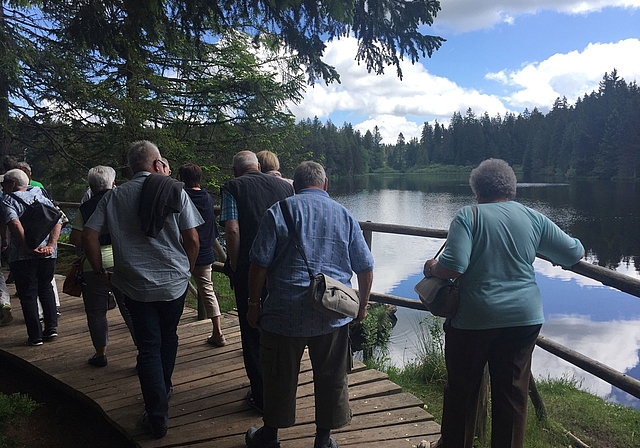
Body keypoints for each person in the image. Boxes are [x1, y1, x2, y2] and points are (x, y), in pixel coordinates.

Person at [422, 159, 584, 448]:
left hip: (474, 320)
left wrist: (433, 268)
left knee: (462, 391)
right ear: (512, 188)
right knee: (511, 396)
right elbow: (573, 252)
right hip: (524, 318)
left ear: (477, 190)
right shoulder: (532, 217)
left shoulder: (468, 216)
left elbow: (454, 265)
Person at [244, 161, 374, 448]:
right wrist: (362, 306)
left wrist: (254, 305)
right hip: (332, 314)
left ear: (295, 186)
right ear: (325, 184)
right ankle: (323, 440)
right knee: (332, 376)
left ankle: (270, 437)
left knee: (278, 375)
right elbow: (365, 268)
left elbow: (258, 266)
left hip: (283, 313)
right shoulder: (345, 214)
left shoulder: (279, 211)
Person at [82, 140, 203, 439]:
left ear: (132, 166)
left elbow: (88, 235)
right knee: (169, 336)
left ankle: (157, 416)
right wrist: (186, 268)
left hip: (133, 284)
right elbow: (193, 239)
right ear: (156, 162)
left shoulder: (114, 196)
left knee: (148, 346)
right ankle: (166, 385)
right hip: (173, 282)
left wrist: (100, 271)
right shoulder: (175, 190)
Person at [219, 150, 294, 413]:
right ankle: (284, 390)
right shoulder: (285, 187)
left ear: (235, 170)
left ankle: (261, 396)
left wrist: (235, 263)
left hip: (251, 269)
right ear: (259, 166)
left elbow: (232, 228)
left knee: (252, 329)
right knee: (281, 329)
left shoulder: (232, 187)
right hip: (282, 269)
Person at [69, 165, 135, 367]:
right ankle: (145, 352)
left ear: (90, 186)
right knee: (130, 310)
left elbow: (76, 239)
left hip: (94, 264)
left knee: (96, 312)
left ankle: (101, 354)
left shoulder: (86, 208)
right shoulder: (124, 203)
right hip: (123, 262)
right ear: (113, 183)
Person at [1, 168, 61, 346]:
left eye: (4, 183)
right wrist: (50, 246)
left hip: (23, 256)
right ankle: (51, 328)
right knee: (46, 288)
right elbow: (58, 220)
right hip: (48, 255)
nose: (2, 187)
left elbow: (14, 223)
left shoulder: (8, 200)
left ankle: (35, 336)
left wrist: (28, 247)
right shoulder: (42, 195)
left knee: (28, 295)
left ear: (12, 183)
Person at [178, 163, 226, 347]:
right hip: (205, 249)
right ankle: (218, 331)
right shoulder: (206, 197)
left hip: (182, 250)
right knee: (207, 290)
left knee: (176, 288)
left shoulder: (182, 196)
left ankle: (169, 327)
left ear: (182, 178)